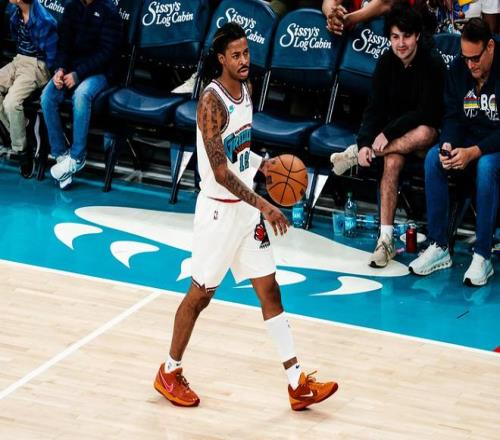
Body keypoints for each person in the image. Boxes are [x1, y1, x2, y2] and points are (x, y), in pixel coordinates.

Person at [154, 23, 338, 411]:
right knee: (199, 297)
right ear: (221, 59)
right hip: (218, 213)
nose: (244, 61)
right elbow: (220, 171)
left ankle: (297, 383)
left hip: (244, 212)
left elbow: (237, 152)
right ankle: (169, 370)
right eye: (236, 55)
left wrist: (262, 164)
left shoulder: (247, 89)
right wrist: (265, 204)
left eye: (247, 53)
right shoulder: (211, 102)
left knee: (270, 289)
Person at [330, 4, 446, 268]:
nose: (401, 43)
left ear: (417, 35)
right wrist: (364, 141)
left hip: (426, 134)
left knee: (424, 132)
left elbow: (427, 112)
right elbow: (374, 108)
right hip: (393, 138)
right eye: (395, 37)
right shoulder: (385, 62)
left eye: (406, 36)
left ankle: (356, 156)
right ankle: (385, 240)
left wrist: (385, 135)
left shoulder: (432, 62)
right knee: (392, 163)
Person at [409, 18, 499, 286]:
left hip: (494, 146)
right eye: (465, 57)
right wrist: (448, 142)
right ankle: (438, 245)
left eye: (475, 58)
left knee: (486, 166)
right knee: (433, 159)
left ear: (490, 47)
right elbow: (452, 115)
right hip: (470, 140)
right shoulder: (459, 69)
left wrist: (474, 151)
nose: (470, 65)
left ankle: (482, 255)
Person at [40, 0, 122, 190]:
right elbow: (63, 44)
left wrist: (79, 74)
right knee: (47, 96)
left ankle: (77, 157)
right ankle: (61, 156)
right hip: (71, 69)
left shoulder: (110, 11)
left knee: (82, 95)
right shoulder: (72, 7)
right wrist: (60, 69)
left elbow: (107, 53)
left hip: (100, 72)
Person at [0, 0, 57, 178]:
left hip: (37, 65)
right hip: (19, 59)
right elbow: (16, 37)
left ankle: (23, 151)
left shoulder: (44, 21)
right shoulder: (14, 11)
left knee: (11, 103)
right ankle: (24, 125)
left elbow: (52, 56)